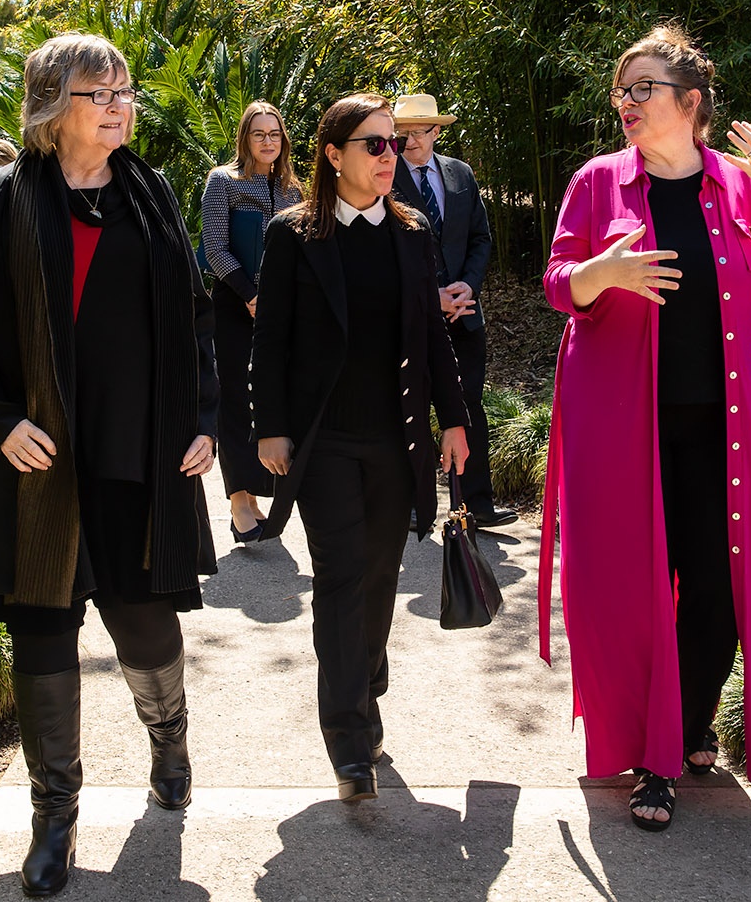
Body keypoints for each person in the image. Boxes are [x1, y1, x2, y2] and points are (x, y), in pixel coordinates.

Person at [0, 33, 220, 898]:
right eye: (104, 92)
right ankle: (55, 814)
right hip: (38, 462)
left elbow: (195, 315)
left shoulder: (152, 196)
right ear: (55, 104)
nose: (122, 103)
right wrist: (2, 418)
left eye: (126, 89)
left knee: (143, 622)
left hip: (137, 450)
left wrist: (203, 416)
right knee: (43, 635)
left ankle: (168, 736)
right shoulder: (0, 200)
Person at [539, 24, 751, 831]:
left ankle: (685, 724)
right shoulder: (598, 183)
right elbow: (560, 282)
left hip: (716, 426)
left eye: (643, 89)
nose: (626, 103)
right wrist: (605, 272)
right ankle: (657, 760)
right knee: (625, 592)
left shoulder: (737, 185)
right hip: (617, 420)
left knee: (721, 594)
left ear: (690, 103)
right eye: (621, 90)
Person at [252, 92, 470, 803]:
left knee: (379, 575)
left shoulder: (412, 231)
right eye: (374, 144)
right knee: (342, 575)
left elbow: (433, 335)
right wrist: (269, 426)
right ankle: (348, 738)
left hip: (394, 437)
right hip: (325, 440)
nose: (389, 156)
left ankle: (363, 672)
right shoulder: (294, 236)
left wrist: (456, 421)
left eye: (392, 143)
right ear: (333, 154)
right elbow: (270, 338)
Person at [392, 94, 515, 528]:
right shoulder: (383, 177)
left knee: (468, 406)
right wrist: (431, 295)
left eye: (419, 131)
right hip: (411, 313)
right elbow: (387, 252)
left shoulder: (460, 173)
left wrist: (468, 286)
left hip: (464, 314)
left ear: (437, 132)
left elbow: (480, 238)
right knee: (410, 403)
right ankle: (412, 502)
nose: (410, 141)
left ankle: (476, 504)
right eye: (402, 132)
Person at [201, 101, 303, 545]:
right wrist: (250, 295)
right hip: (234, 302)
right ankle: (240, 499)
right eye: (259, 133)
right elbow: (214, 248)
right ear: (245, 137)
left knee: (272, 395)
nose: (267, 141)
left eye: (274, 134)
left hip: (283, 308)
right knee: (237, 400)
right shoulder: (222, 181)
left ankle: (261, 492)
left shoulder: (294, 190)